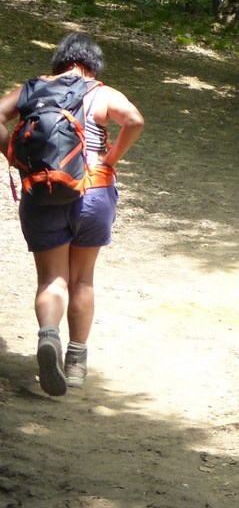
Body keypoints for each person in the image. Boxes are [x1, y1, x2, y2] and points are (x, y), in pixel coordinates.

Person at [0, 33, 144, 396]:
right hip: (93, 193)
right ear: (93, 65)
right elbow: (134, 120)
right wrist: (109, 160)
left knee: (52, 280)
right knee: (82, 279)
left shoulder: (33, 89)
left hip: (41, 189)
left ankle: (49, 335)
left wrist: (13, 155)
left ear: (59, 61)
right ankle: (76, 362)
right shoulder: (101, 92)